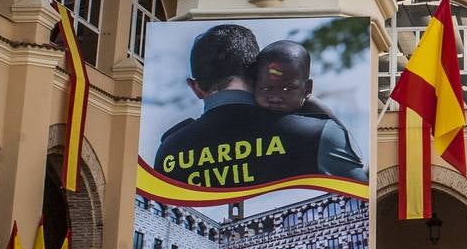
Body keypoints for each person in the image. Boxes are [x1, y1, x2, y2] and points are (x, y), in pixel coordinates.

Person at [152, 24, 366, 191]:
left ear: (195, 88)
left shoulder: (168, 151)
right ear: (257, 74)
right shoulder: (320, 134)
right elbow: (361, 201)